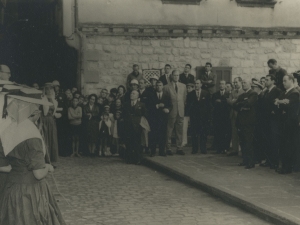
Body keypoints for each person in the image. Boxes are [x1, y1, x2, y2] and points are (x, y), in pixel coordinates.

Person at [0, 89, 65, 225]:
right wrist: (48, 167)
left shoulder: (7, 131)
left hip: (11, 191)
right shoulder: (32, 136)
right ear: (33, 112)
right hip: (30, 193)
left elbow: (3, 166)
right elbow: (38, 173)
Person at [275, 75, 299, 174]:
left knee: (288, 145)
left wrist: (280, 102)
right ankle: (284, 166)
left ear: (291, 81)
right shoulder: (285, 93)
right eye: (283, 81)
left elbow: (287, 103)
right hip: (284, 122)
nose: (283, 83)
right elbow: (277, 101)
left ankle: (287, 167)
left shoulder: (294, 93)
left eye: (285, 81)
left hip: (290, 122)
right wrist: (280, 102)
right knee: (284, 145)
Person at [233, 78, 258, 169]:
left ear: (250, 84)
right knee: (243, 142)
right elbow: (234, 105)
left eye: (245, 83)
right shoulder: (242, 95)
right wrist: (241, 106)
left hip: (248, 122)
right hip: (241, 122)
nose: (243, 84)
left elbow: (249, 103)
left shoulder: (253, 93)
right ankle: (245, 160)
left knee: (248, 142)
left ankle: (250, 162)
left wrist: (240, 104)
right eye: (242, 83)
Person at [163, 70, 187, 155]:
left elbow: (184, 99)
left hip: (180, 111)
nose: (176, 77)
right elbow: (165, 100)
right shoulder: (166, 87)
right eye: (174, 75)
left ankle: (179, 148)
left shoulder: (183, 86)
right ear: (172, 76)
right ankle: (168, 148)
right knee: (169, 130)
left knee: (179, 130)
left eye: (177, 75)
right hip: (171, 112)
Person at [261, 75, 282, 169]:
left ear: (273, 81)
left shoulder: (277, 91)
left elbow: (279, 103)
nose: (265, 81)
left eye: (267, 80)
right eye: (265, 80)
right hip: (266, 119)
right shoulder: (266, 91)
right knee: (267, 140)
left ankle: (275, 162)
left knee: (274, 141)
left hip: (274, 120)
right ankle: (269, 161)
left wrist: (275, 111)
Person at [148, 81, 172, 157]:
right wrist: (157, 106)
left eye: (160, 85)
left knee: (163, 134)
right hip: (154, 118)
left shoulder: (167, 95)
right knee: (153, 134)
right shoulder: (151, 95)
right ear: (155, 86)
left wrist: (168, 109)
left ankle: (162, 151)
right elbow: (149, 106)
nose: (158, 87)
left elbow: (170, 105)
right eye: (157, 85)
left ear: (162, 86)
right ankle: (153, 151)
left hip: (163, 118)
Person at [123, 90, 147, 164]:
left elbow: (144, 114)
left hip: (137, 125)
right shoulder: (126, 104)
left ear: (137, 96)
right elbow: (124, 114)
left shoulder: (141, 105)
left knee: (137, 142)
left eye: (133, 94)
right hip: (128, 125)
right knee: (129, 142)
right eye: (131, 93)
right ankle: (129, 158)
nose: (131, 95)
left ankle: (138, 158)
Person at [186, 79, 211, 154]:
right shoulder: (190, 94)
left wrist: (208, 117)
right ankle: (195, 149)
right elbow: (188, 106)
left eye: (198, 83)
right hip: (194, 117)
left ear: (201, 84)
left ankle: (203, 149)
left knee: (203, 133)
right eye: (195, 83)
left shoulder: (206, 93)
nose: (196, 85)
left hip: (203, 117)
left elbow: (208, 106)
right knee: (194, 134)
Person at [41, 83, 59, 163]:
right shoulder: (42, 99)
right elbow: (44, 112)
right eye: (47, 89)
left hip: (51, 121)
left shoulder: (55, 101)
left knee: (52, 139)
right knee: (45, 138)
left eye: (51, 89)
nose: (49, 91)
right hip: (44, 120)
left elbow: (54, 112)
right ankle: (45, 159)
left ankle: (52, 159)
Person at [226, 77, 244, 156]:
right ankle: (234, 149)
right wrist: (234, 101)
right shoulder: (232, 92)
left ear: (241, 82)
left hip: (240, 115)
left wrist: (234, 100)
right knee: (234, 132)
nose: (235, 84)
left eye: (236, 82)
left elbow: (240, 102)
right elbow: (229, 101)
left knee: (241, 132)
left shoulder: (244, 92)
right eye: (234, 82)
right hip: (233, 114)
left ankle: (241, 150)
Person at [212, 80, 231, 154]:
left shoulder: (228, 94)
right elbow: (213, 104)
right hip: (217, 116)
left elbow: (228, 104)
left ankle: (225, 148)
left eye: (223, 84)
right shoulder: (215, 94)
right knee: (218, 132)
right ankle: (219, 148)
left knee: (225, 132)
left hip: (226, 116)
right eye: (220, 84)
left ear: (225, 85)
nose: (221, 85)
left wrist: (221, 102)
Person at [251, 80, 266, 164]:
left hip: (260, 121)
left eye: (255, 87)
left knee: (260, 140)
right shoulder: (257, 96)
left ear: (259, 88)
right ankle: (257, 157)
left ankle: (260, 157)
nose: (253, 89)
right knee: (257, 140)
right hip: (257, 121)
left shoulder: (261, 97)